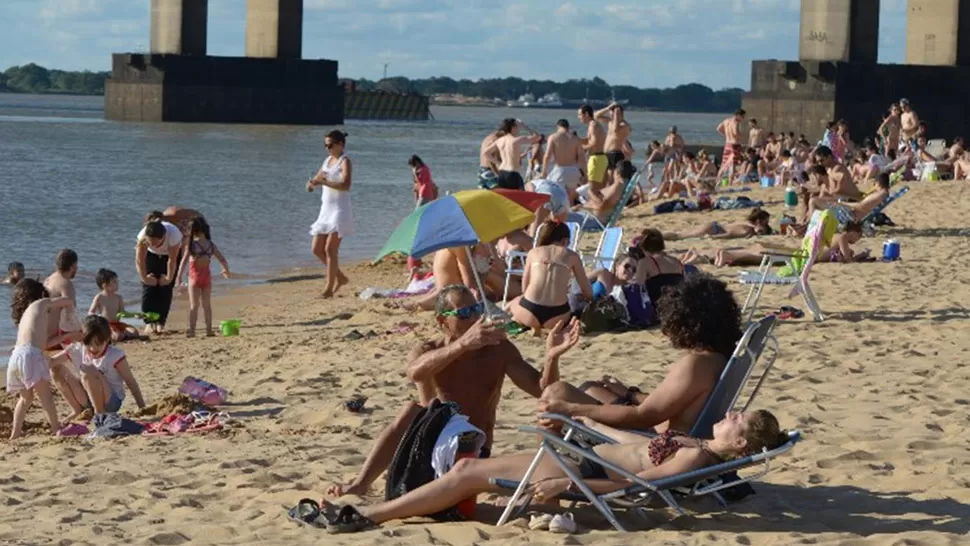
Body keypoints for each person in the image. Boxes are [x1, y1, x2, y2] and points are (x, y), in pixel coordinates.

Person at [317, 410, 786, 533]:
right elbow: (638, 448)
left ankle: (374, 515)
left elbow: (636, 482)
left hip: (580, 468)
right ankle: (406, 509)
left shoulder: (697, 458)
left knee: (468, 473)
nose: (728, 416)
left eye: (736, 420)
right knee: (472, 471)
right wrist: (589, 423)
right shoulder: (700, 443)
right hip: (585, 456)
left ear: (740, 443)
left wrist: (568, 483)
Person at [327, 284, 581, 497]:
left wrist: (551, 358)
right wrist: (462, 345)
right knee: (410, 409)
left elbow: (542, 390)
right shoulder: (428, 350)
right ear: (442, 320)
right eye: (464, 313)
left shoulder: (499, 349)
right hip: (429, 446)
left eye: (477, 310)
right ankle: (362, 483)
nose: (474, 319)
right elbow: (415, 372)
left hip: (473, 448)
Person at [539, 274, 742, 432]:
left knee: (557, 394)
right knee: (591, 388)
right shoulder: (718, 358)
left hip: (658, 445)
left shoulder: (696, 365)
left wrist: (571, 409)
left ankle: (551, 467)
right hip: (665, 429)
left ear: (686, 324)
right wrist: (630, 394)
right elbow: (671, 404)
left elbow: (643, 416)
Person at [6, 279, 74, 439]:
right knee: (46, 397)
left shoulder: (26, 318)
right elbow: (65, 301)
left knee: (25, 398)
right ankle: (56, 429)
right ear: (41, 294)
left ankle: (15, 434)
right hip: (30, 355)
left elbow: (43, 344)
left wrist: (68, 336)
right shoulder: (41, 303)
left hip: (16, 357)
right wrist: (68, 302)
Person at [508, 222, 593, 335]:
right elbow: (586, 289)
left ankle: (528, 325)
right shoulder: (572, 256)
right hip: (557, 317)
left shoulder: (533, 253)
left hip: (529, 311)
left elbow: (525, 287)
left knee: (514, 302)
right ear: (565, 240)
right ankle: (536, 327)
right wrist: (589, 299)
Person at [63, 315, 146, 416]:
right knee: (57, 370)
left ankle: (100, 414)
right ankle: (77, 410)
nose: (93, 348)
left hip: (110, 401)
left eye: (98, 344)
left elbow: (130, 381)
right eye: (89, 343)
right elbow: (51, 362)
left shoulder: (115, 355)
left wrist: (142, 407)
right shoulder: (79, 348)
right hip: (89, 398)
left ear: (107, 340)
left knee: (88, 370)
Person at [307, 130, 353, 298]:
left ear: (340, 144)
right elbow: (318, 178)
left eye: (330, 145)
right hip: (325, 210)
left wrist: (324, 181)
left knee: (330, 249)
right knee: (316, 249)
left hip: (340, 210)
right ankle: (340, 277)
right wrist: (312, 184)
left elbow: (346, 185)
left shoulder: (344, 161)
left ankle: (328, 288)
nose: (327, 148)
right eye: (325, 145)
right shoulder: (327, 160)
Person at [176, 217, 231, 337]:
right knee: (207, 305)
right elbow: (222, 259)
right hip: (207, 278)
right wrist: (225, 270)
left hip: (193, 278)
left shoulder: (192, 246)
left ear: (192, 231)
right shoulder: (210, 245)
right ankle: (209, 330)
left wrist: (178, 277)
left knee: (194, 306)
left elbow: (183, 262)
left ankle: (192, 331)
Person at [135, 218, 183, 334]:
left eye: (155, 243)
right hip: (151, 255)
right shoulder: (142, 236)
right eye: (150, 242)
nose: (152, 245)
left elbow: (172, 261)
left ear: (163, 237)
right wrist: (144, 278)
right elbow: (139, 260)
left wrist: (168, 279)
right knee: (149, 287)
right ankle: (149, 322)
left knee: (165, 288)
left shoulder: (173, 235)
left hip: (169, 256)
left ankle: (161, 322)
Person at [569, 160, 635, 230]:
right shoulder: (619, 186)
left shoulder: (617, 187)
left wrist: (590, 192)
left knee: (560, 216)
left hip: (593, 220)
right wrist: (582, 206)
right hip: (588, 215)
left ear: (617, 172)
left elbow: (600, 206)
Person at [808, 173, 890, 225]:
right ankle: (813, 224)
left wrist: (842, 203)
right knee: (825, 199)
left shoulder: (879, 195)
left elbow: (861, 206)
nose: (873, 185)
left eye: (874, 183)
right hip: (849, 212)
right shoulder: (882, 194)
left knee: (814, 201)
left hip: (849, 216)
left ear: (878, 183)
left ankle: (812, 226)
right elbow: (863, 204)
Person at [482, 119, 540, 190]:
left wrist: (498, 163)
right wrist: (524, 126)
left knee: (505, 197)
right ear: (513, 128)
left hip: (502, 172)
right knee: (518, 197)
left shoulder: (499, 141)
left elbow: (486, 153)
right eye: (517, 127)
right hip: (512, 174)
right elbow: (537, 137)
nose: (518, 129)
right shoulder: (515, 140)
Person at [88, 269, 142, 342]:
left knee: (135, 332)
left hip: (117, 324)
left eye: (117, 281)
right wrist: (97, 318)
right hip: (106, 325)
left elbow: (123, 313)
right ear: (105, 285)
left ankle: (119, 335)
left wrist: (134, 315)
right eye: (114, 282)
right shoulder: (99, 297)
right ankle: (111, 335)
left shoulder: (119, 297)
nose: (117, 284)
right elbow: (91, 312)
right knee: (117, 336)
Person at [542, 119, 586, 201]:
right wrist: (585, 174)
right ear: (568, 127)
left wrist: (544, 172)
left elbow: (547, 156)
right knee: (571, 198)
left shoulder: (553, 137)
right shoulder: (576, 139)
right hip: (573, 171)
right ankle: (570, 212)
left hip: (560, 171)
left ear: (558, 127)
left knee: (555, 196)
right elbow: (581, 158)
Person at [663, 209, 772, 241]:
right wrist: (712, 237)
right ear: (759, 221)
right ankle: (660, 236)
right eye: (765, 222)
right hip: (715, 230)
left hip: (714, 226)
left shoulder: (748, 224)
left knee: (680, 234)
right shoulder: (748, 230)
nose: (766, 224)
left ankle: (661, 235)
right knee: (681, 236)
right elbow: (730, 234)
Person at [578, 105, 608, 197]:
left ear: (586, 114)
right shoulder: (594, 124)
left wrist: (582, 148)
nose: (578, 117)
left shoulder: (593, 125)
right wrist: (576, 140)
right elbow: (589, 140)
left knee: (592, 189)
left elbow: (594, 143)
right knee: (599, 188)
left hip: (596, 158)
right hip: (600, 158)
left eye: (579, 115)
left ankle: (597, 207)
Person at [595, 103, 632, 174]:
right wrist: (607, 108)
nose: (612, 116)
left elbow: (616, 130)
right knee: (605, 178)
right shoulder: (610, 122)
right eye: (611, 114)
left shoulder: (624, 125)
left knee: (612, 177)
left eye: (614, 114)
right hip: (607, 154)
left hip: (615, 154)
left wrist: (617, 115)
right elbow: (596, 116)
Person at [716, 109, 745, 179]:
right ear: (738, 115)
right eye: (742, 116)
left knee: (724, 164)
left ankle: (717, 180)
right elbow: (735, 132)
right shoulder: (736, 122)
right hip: (734, 145)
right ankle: (730, 183)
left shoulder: (726, 121)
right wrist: (741, 136)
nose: (743, 119)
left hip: (727, 144)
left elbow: (718, 128)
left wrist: (726, 134)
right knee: (733, 165)